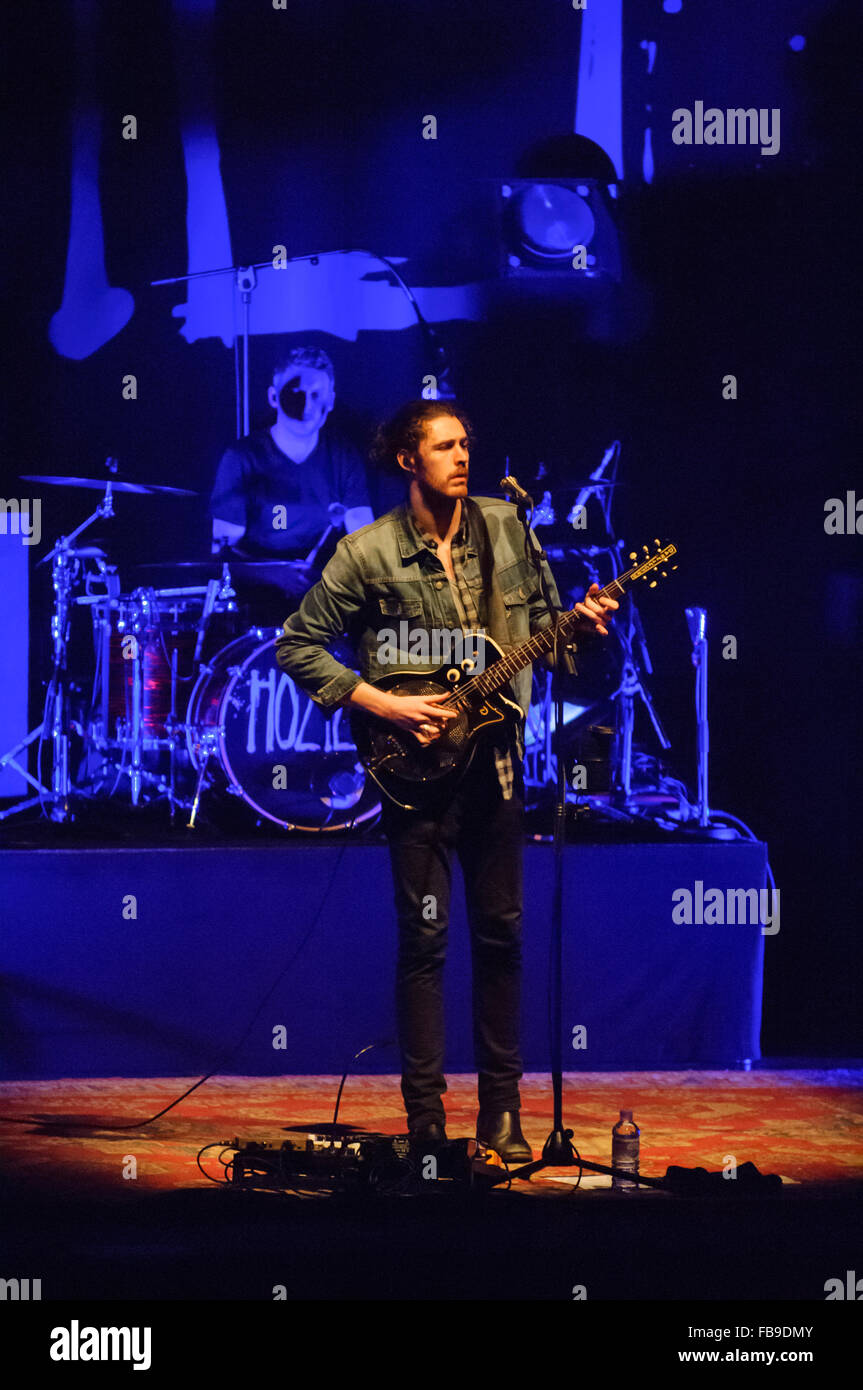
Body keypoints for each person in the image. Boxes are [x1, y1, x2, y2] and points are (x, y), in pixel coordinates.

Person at [274, 400, 617, 1161]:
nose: (462, 456)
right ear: (407, 460)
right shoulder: (366, 553)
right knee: (423, 942)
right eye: (444, 446)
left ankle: (503, 1114)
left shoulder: (507, 529)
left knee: (502, 937)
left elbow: (552, 646)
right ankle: (425, 1124)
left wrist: (586, 627)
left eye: (466, 443)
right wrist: (384, 704)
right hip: (416, 780)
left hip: (496, 771)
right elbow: (297, 646)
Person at [209, 345, 373, 563]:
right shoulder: (241, 458)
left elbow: (364, 540)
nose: (307, 406)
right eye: (296, 393)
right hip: (258, 591)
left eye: (316, 395)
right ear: (274, 397)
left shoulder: (343, 456)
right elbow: (223, 550)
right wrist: (276, 575)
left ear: (331, 401)